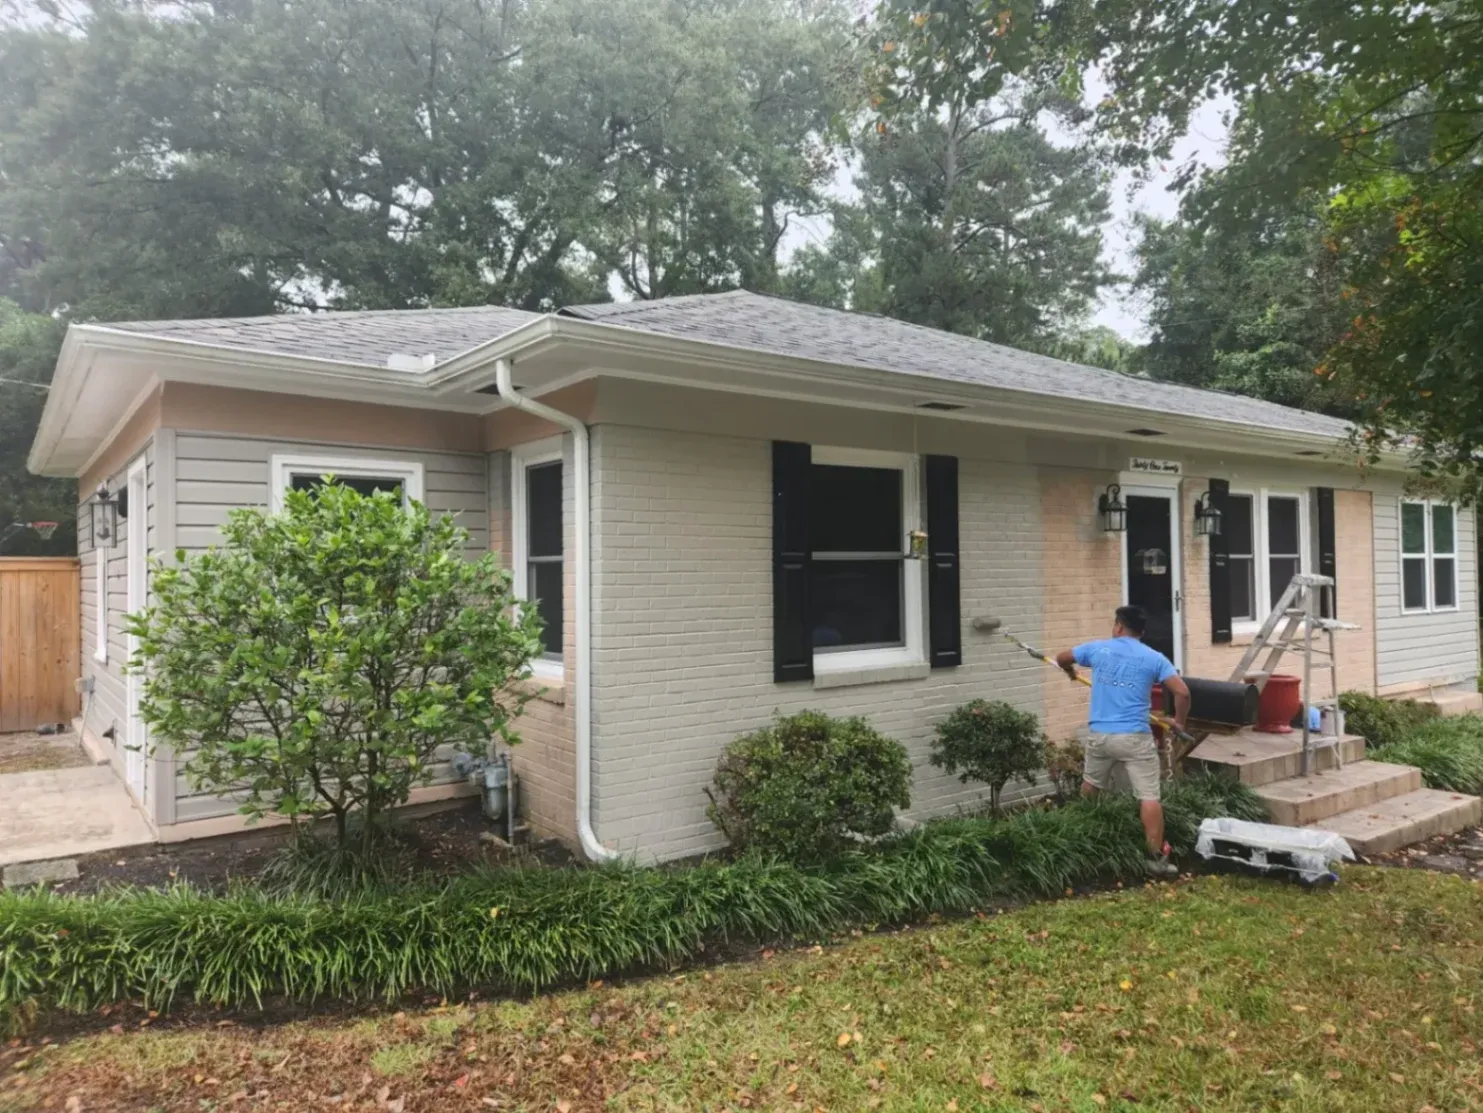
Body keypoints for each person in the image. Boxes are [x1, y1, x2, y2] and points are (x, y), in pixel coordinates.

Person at [1054, 605, 1191, 879]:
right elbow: (1183, 692)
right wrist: (1179, 721)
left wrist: (1070, 671)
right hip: (1134, 737)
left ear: (1118, 626)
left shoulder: (1098, 650)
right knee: (1149, 796)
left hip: (1100, 735)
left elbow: (1061, 658)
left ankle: (1080, 837)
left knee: (1091, 784)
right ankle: (1154, 858)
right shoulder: (1154, 658)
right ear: (1141, 632)